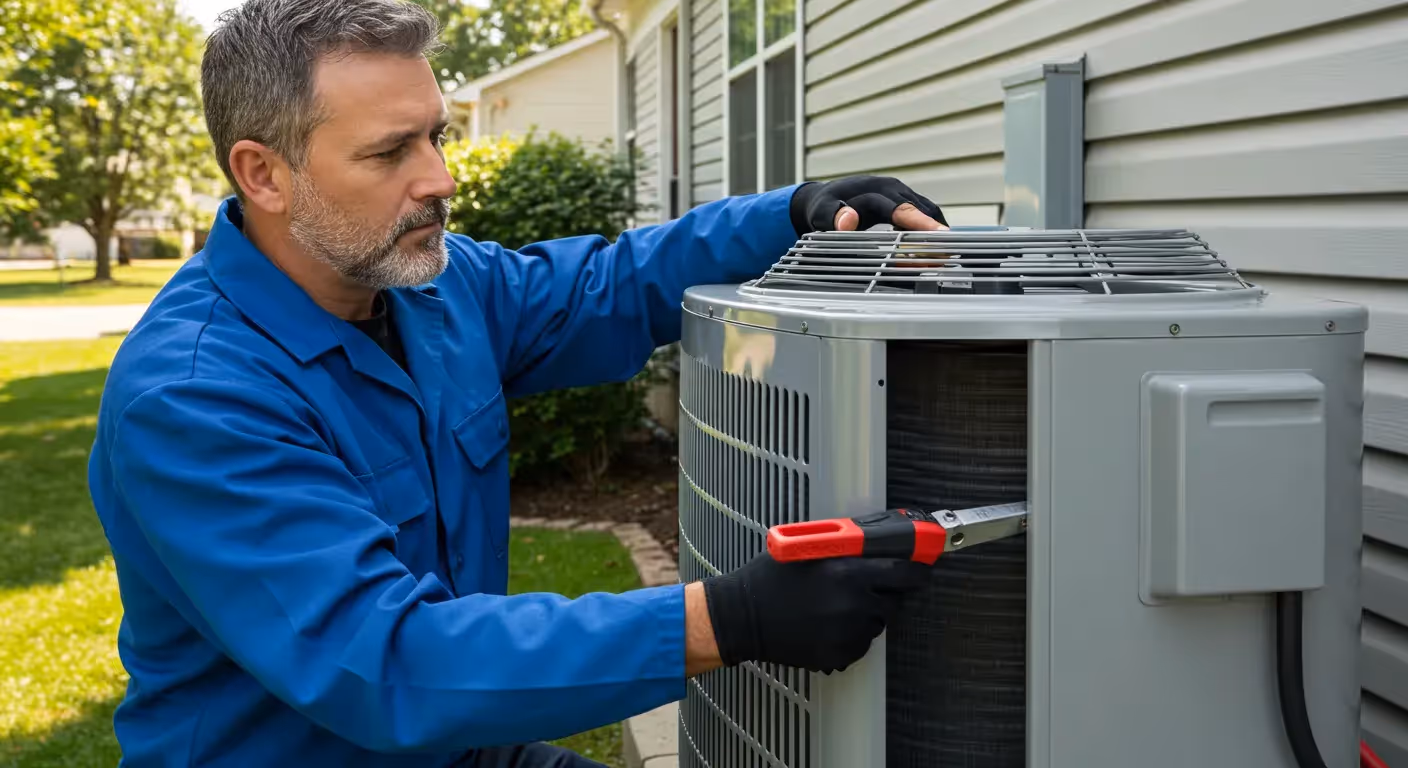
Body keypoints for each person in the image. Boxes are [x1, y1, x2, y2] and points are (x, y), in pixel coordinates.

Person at [85, 1, 951, 765]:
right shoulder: (194, 397)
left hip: (457, 748)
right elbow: (383, 661)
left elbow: (612, 284)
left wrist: (796, 212)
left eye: (436, 137)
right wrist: (726, 619)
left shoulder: (433, 287)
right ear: (263, 173)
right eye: (391, 152)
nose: (439, 180)